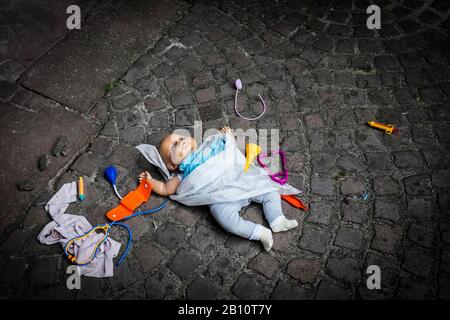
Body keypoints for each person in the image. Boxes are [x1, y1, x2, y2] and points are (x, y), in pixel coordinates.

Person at [139, 126, 298, 251]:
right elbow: (166, 189)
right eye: (174, 146)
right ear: (172, 165)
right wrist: (151, 182)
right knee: (224, 218)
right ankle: (260, 233)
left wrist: (227, 138)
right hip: (221, 197)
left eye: (180, 137)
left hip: (239, 180)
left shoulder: (211, 146)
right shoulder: (183, 176)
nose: (181, 141)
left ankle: (277, 219)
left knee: (269, 189)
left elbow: (230, 152)